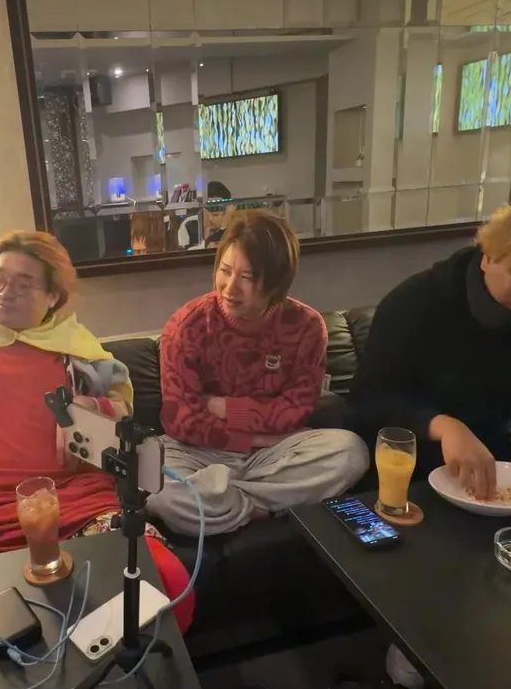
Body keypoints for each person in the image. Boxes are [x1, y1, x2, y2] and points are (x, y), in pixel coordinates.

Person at [0, 231, 193, 629]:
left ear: (52, 296)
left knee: (165, 578)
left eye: (24, 283)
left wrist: (92, 409)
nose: (5, 292)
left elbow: (121, 413)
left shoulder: (78, 351)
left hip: (72, 503)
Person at [346, 200, 511, 500]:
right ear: (487, 258)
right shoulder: (414, 303)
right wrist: (444, 427)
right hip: (420, 473)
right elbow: (368, 403)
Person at [146, 210, 370, 536]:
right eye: (225, 270)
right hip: (196, 450)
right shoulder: (187, 325)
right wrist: (253, 438)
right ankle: (263, 506)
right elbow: (181, 419)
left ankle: (223, 499)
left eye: (247, 277)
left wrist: (222, 406)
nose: (229, 287)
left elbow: (295, 410)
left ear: (276, 282)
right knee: (156, 488)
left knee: (351, 452)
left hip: (272, 454)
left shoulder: (307, 327)